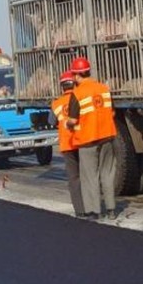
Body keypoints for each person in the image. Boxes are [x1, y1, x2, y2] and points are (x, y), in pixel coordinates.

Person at [65, 57, 118, 220]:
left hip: (88, 140)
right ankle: (111, 210)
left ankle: (95, 211)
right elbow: (112, 112)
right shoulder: (104, 89)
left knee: (90, 176)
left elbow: (73, 120)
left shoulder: (77, 93)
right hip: (108, 137)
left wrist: (68, 124)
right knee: (107, 174)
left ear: (76, 75)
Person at [51, 71, 85, 217]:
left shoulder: (56, 103)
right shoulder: (81, 98)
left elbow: (52, 122)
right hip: (83, 141)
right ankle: (92, 206)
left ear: (62, 87)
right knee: (87, 175)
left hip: (67, 144)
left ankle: (80, 210)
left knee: (74, 178)